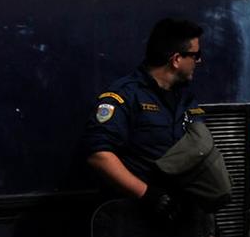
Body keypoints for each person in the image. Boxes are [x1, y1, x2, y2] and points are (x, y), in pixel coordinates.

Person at [82, 16, 209, 223]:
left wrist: (208, 219)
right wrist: (146, 193)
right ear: (176, 59)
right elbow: (99, 155)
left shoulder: (187, 101)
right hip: (134, 220)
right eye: (195, 55)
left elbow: (200, 159)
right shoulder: (125, 96)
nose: (199, 61)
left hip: (182, 220)